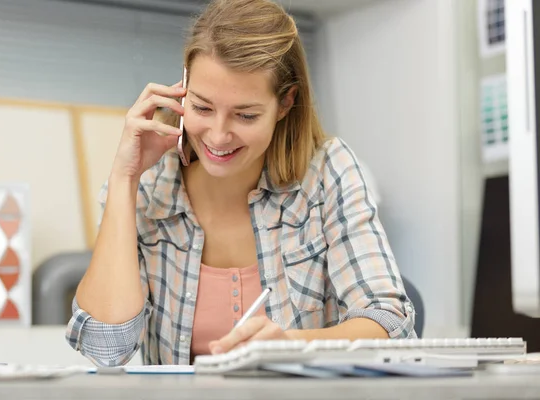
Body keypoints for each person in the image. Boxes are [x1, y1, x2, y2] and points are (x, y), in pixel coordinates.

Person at [66, 0, 416, 367]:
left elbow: (392, 323)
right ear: (183, 88)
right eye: (202, 108)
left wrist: (294, 344)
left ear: (285, 103)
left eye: (245, 115)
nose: (218, 136)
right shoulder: (148, 185)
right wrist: (125, 178)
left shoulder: (327, 172)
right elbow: (104, 349)